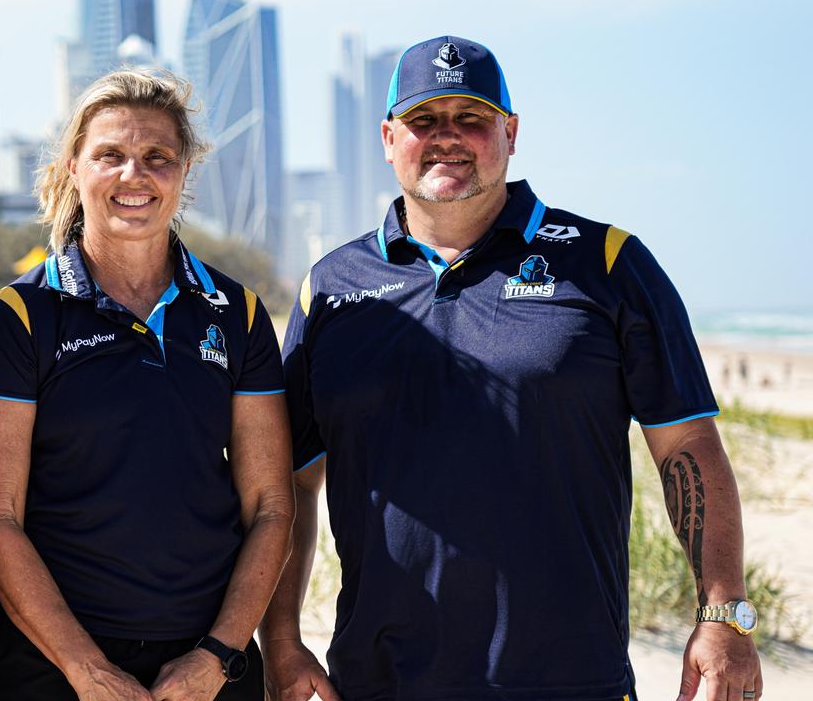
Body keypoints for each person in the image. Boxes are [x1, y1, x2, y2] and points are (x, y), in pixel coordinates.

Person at [262, 36, 763, 701]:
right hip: (381, 683)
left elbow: (687, 446)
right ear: (388, 138)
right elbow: (289, 486)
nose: (448, 138)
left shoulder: (608, 262)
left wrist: (724, 613)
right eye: (423, 120)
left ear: (511, 132)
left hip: (571, 681)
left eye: (470, 117)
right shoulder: (329, 289)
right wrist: (284, 642)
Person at [0, 69, 294, 701]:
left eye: (157, 158)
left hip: (209, 668)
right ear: (72, 167)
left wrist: (218, 656)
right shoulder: (20, 316)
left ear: (185, 171)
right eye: (109, 156)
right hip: (51, 668)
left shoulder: (238, 313)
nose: (132, 176)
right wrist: (88, 671)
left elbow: (272, 507)